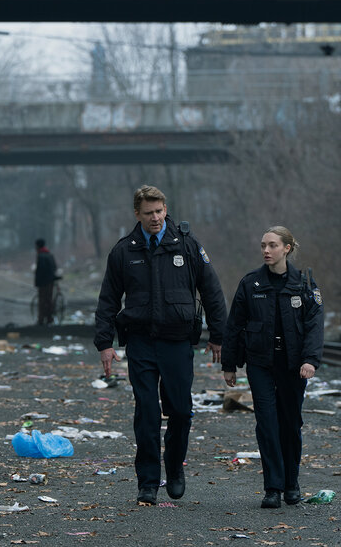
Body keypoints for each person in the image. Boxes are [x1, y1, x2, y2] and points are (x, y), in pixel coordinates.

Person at [95, 185, 227, 506]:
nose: (155, 218)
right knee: (148, 413)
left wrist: (218, 336)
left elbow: (211, 291)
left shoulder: (187, 245)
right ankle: (148, 482)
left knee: (181, 411)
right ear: (137, 214)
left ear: (166, 209)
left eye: (160, 211)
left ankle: (175, 467)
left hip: (177, 343)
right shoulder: (124, 252)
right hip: (140, 343)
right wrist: (105, 343)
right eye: (149, 213)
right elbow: (108, 300)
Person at [221, 226, 324, 508]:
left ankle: (292, 483)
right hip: (260, 363)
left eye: (273, 245)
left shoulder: (303, 284)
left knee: (290, 424)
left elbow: (314, 325)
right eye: (263, 245)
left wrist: (310, 360)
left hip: (293, 365)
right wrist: (229, 365)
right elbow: (235, 325)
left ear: (287, 248)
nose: (266, 250)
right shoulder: (251, 283)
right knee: (267, 424)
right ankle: (273, 488)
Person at [34, 238, 59, 325]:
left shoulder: (40, 256)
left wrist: (37, 282)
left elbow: (40, 271)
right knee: (49, 300)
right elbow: (55, 267)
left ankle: (41, 319)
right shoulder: (49, 254)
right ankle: (49, 318)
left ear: (37, 246)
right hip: (50, 281)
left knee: (42, 301)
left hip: (43, 282)